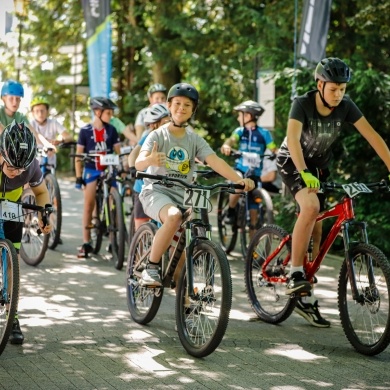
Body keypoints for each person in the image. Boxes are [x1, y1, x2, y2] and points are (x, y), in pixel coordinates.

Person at [276, 57, 390, 327]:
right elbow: (293, 139)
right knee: (311, 207)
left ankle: (305, 293)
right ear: (319, 84)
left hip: (318, 168)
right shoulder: (302, 103)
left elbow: (373, 136)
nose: (338, 94)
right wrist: (303, 172)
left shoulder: (346, 107)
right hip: (293, 162)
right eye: (333, 89)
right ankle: (294, 273)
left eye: (342, 89)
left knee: (318, 224)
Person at [135, 83, 255, 287]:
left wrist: (238, 180)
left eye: (187, 105)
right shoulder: (157, 135)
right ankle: (152, 267)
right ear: (169, 105)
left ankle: (187, 298)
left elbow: (215, 161)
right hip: (157, 191)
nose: (181, 108)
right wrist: (150, 160)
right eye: (177, 103)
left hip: (185, 193)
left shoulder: (194, 139)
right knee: (174, 217)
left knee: (188, 240)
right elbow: (139, 162)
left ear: (193, 110)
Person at [0, 120, 52, 345]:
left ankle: (13, 317)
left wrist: (44, 215)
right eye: (11, 167)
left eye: (20, 169)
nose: (15, 173)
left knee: (14, 263)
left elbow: (41, 193)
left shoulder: (30, 166)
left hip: (12, 205)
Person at [220, 100, 277, 236]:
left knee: (254, 214)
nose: (239, 118)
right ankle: (231, 210)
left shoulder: (264, 133)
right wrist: (227, 145)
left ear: (249, 116)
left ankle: (253, 250)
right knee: (238, 182)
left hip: (255, 173)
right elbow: (231, 140)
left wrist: (281, 154)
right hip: (241, 168)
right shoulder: (240, 131)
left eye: (241, 115)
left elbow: (274, 149)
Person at [75, 97, 121, 258]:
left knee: (115, 200)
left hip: (108, 168)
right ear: (98, 112)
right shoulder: (85, 131)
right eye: (108, 113)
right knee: (89, 203)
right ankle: (86, 242)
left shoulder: (112, 130)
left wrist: (123, 164)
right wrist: (78, 176)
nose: (111, 116)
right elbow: (78, 155)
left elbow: (118, 151)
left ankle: (113, 240)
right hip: (91, 169)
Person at [128, 103, 171, 231]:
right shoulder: (149, 138)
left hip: (164, 186)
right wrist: (132, 168)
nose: (168, 125)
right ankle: (139, 246)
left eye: (170, 121)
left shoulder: (172, 138)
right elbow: (133, 154)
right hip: (143, 186)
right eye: (165, 122)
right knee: (141, 226)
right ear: (153, 125)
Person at [0, 80, 55, 150]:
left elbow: (34, 133)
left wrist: (46, 145)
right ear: (3, 99)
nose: (15, 102)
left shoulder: (20, 117)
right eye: (11, 98)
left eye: (17, 99)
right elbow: (2, 131)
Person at [30, 95, 73, 168]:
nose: (40, 114)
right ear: (33, 112)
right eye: (37, 111)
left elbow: (69, 137)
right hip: (33, 161)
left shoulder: (53, 123)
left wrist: (60, 141)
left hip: (50, 162)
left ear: (47, 111)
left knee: (50, 178)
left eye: (42, 110)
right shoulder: (30, 124)